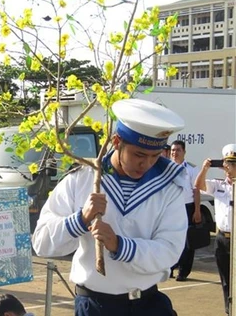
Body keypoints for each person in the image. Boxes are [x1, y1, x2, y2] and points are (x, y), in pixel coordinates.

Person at [32, 99, 187, 316]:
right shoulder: (82, 178)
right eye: (139, 155)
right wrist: (79, 220)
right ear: (116, 141)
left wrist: (120, 246)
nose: (146, 164)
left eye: (155, 156)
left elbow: (170, 250)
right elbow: (42, 243)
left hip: (148, 304)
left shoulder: (169, 185)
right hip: (95, 305)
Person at [194, 143, 235, 315]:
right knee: (225, 279)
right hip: (221, 238)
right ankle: (228, 309)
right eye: (226, 164)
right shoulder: (219, 185)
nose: (228, 168)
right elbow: (199, 185)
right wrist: (205, 169)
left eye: (232, 164)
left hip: (235, 239)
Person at [169, 140, 201, 281]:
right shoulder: (165, 168)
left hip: (187, 207)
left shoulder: (191, 169)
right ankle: (169, 268)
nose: (175, 153)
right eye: (173, 150)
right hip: (170, 208)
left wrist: (197, 210)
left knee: (188, 242)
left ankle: (183, 271)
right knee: (169, 238)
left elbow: (196, 191)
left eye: (178, 150)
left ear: (184, 152)